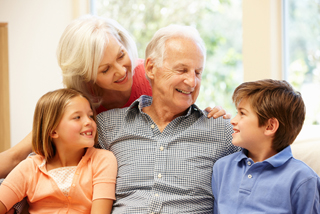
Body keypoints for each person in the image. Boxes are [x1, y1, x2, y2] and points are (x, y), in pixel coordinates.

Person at [0, 15, 229, 179]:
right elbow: (16, 155)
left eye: (121, 55)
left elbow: (185, 98)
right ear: (87, 77)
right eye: (105, 69)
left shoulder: (148, 74)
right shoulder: (79, 106)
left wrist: (213, 112)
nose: (121, 71)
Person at [96, 24, 241, 213]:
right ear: (151, 68)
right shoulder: (107, 125)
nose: (192, 82)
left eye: (198, 73)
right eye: (181, 70)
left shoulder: (222, 130)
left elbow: (269, 156)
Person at [0, 88, 117, 214]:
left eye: (90, 116)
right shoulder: (29, 168)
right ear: (53, 131)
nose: (89, 121)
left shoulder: (103, 160)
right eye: (77, 117)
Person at [211, 79, 320, 214]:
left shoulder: (303, 179)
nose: (233, 120)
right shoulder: (222, 168)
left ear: (270, 126)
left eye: (242, 113)